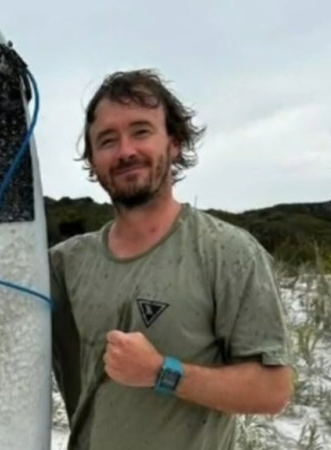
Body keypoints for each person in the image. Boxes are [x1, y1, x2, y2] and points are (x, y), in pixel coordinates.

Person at [48, 68, 294, 450]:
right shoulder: (65, 264)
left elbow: (272, 390)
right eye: (107, 140)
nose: (126, 150)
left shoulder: (228, 253)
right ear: (93, 162)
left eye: (141, 131)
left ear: (174, 143)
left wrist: (162, 372)